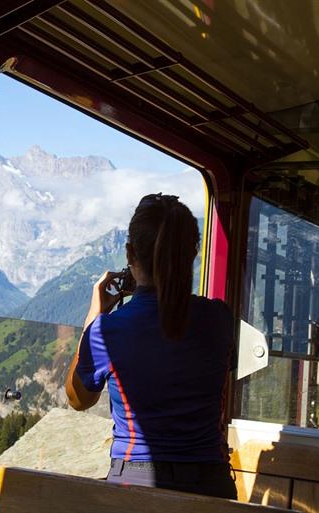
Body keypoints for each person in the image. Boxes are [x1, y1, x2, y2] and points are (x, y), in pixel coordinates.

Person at [64, 193, 237, 499]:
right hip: (211, 484)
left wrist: (96, 313)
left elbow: (79, 399)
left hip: (135, 484)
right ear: (193, 253)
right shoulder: (219, 319)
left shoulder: (108, 331)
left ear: (131, 254)